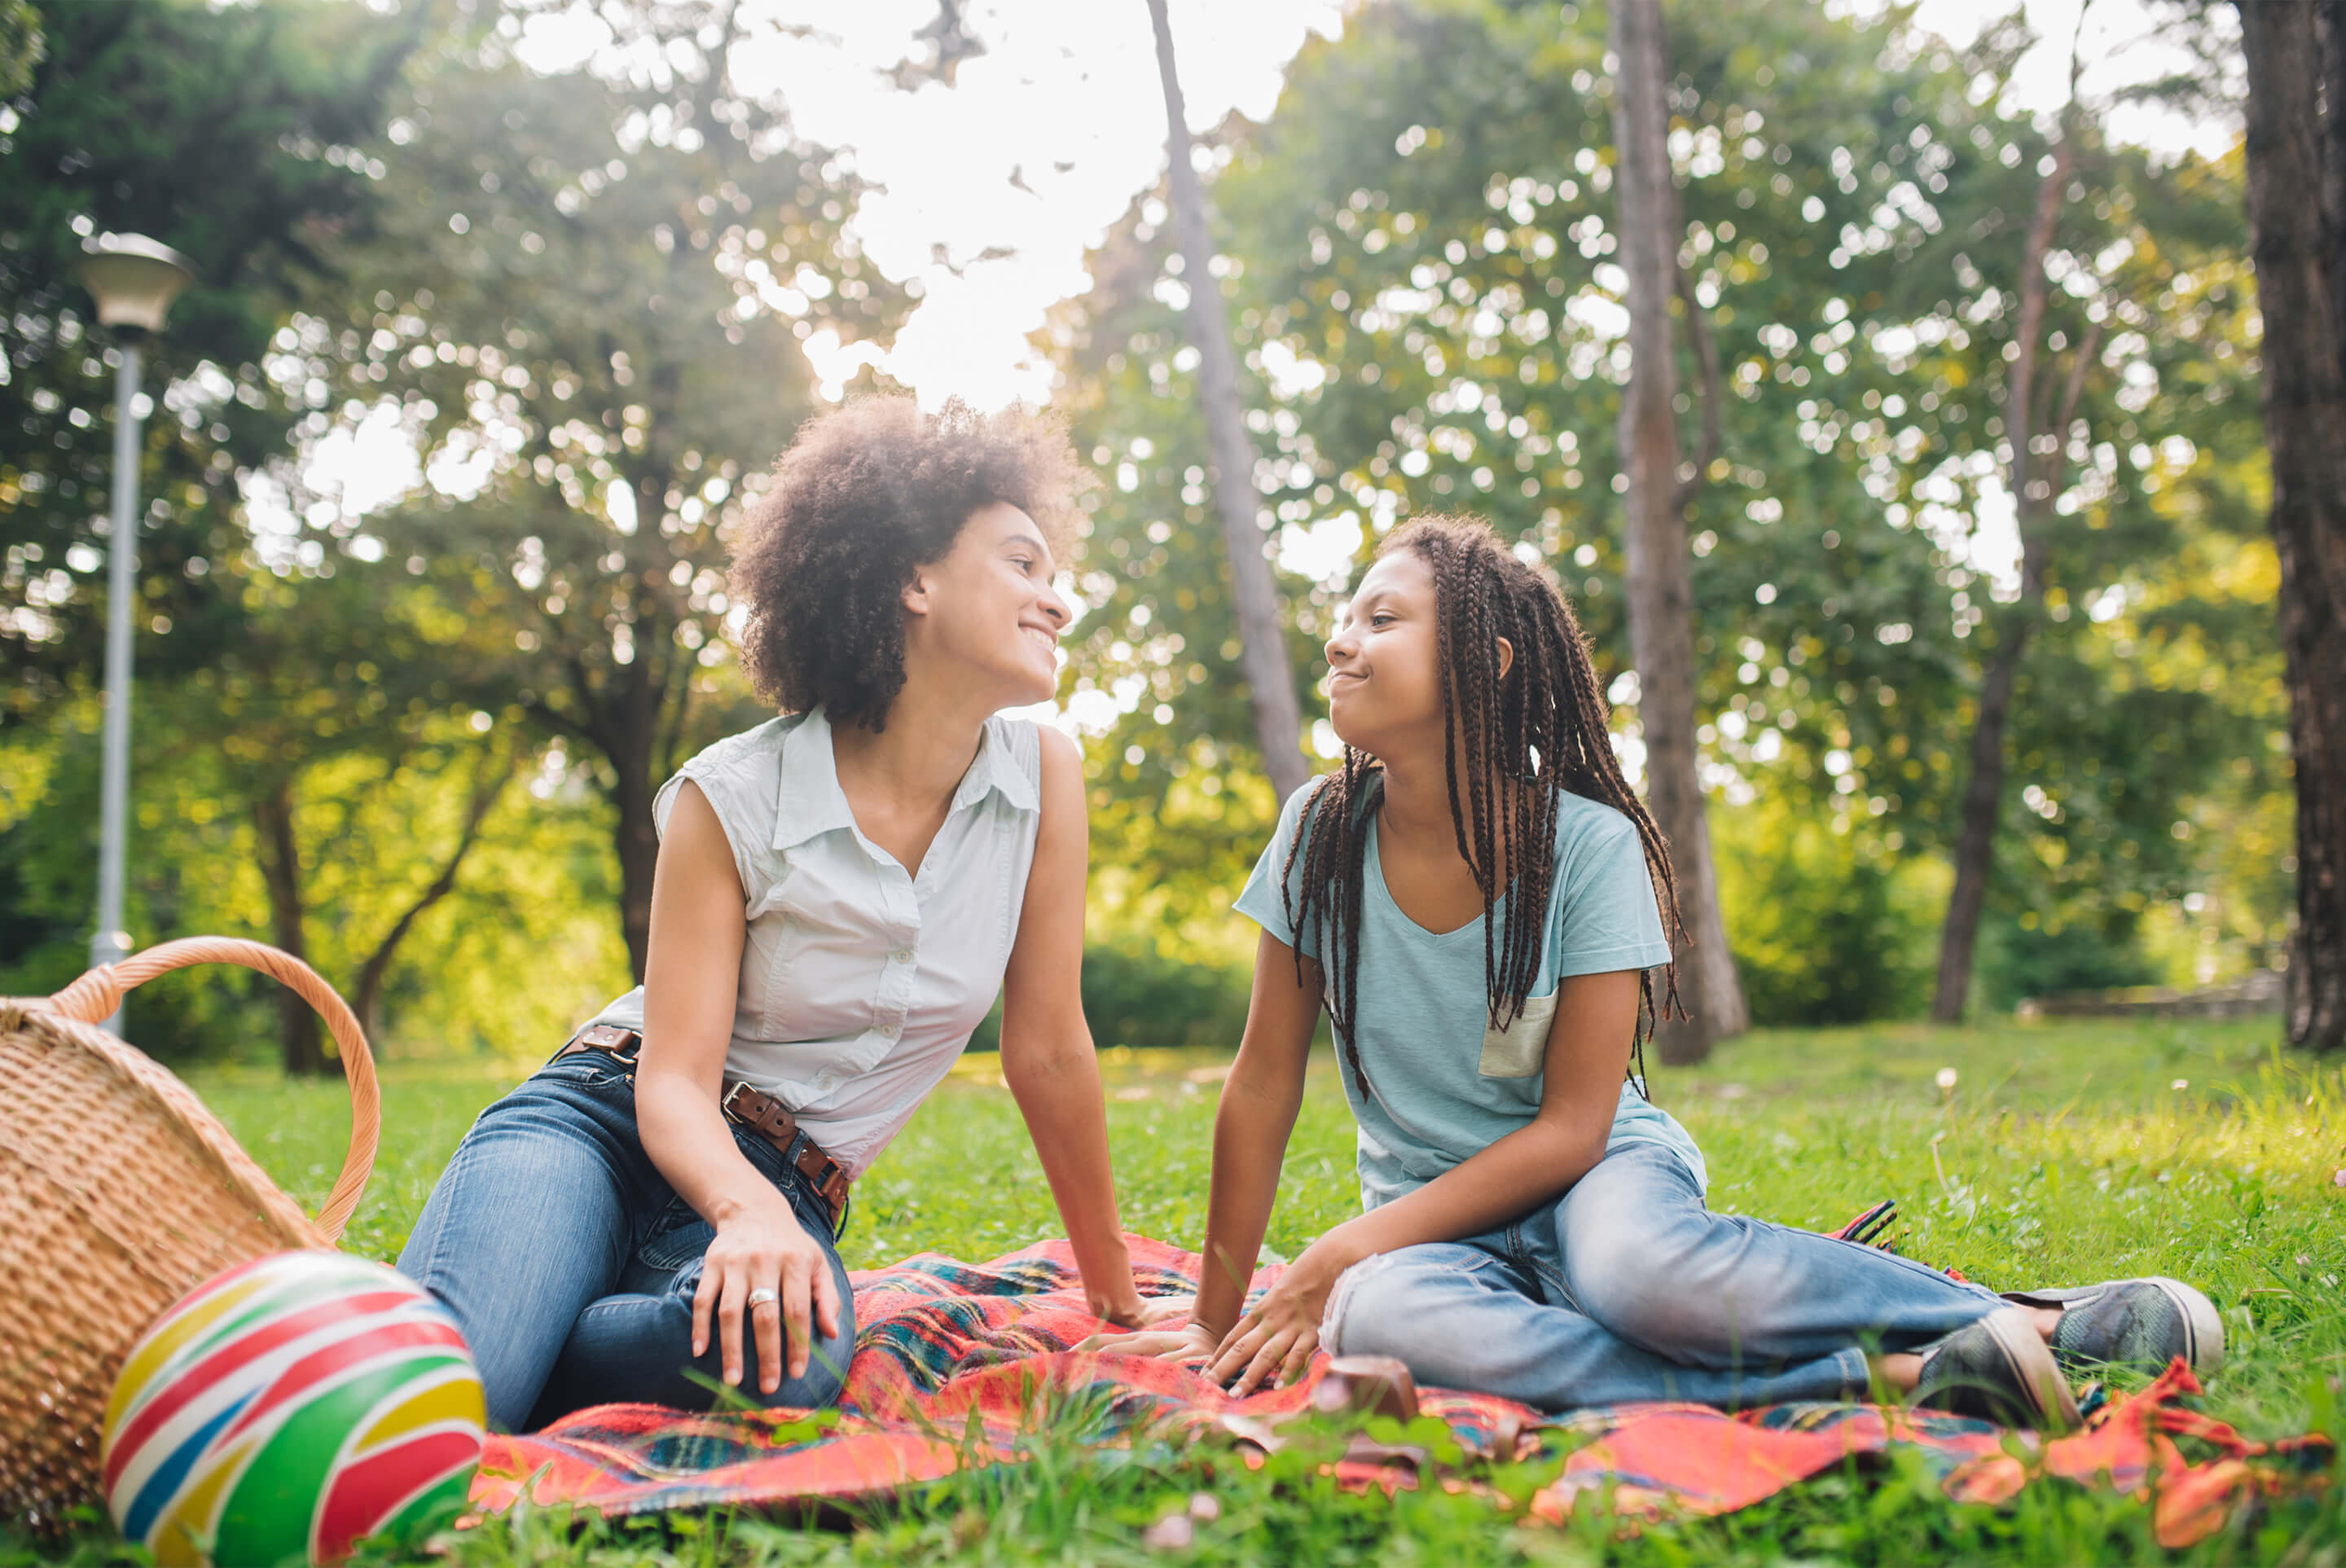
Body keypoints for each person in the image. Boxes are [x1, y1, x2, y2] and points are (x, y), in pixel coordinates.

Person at [1093, 516, 2221, 1430]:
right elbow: (1260, 1086)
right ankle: (1900, 1378)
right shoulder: (1318, 834)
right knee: (1383, 1324)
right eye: (1341, 618)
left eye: (1381, 618)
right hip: (1425, 1228)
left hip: (1592, 1176)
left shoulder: (1588, 847)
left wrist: (1332, 1248)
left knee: (1645, 1279)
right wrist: (1216, 1315)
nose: (1339, 641)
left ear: (1481, 661)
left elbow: (1575, 1127)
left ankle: (2033, 1318)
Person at [400, 397, 1175, 1431]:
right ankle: (478, 1331)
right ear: (914, 578)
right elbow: (672, 1079)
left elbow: (1047, 1048)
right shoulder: (731, 794)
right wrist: (744, 1207)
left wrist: (1112, 1291)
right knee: (443, 1408)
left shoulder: (1045, 777)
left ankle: (513, 1319)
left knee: (794, 1359)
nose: (1057, 601)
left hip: (791, 1177)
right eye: (1023, 564)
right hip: (604, 1121)